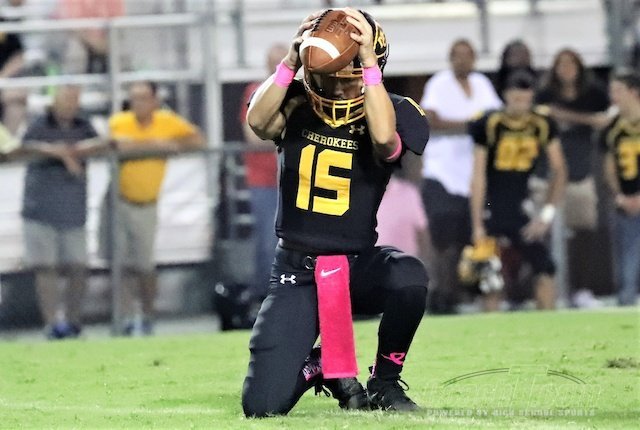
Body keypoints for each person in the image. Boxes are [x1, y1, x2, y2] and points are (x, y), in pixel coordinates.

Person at [242, 8, 430, 417]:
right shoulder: (294, 101)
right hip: (296, 273)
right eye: (328, 78)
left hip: (354, 266)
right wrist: (290, 61)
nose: (338, 90)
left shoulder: (395, 110)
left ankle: (384, 382)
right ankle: (320, 365)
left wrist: (366, 66)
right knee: (262, 406)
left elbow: (385, 139)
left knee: (409, 276)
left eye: (347, 79)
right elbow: (257, 122)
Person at [102, 81, 204, 335]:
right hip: (118, 201)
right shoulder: (120, 121)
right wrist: (159, 146)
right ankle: (125, 317)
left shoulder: (166, 121)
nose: (138, 104)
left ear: (155, 101)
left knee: (145, 265)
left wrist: (171, 145)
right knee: (120, 263)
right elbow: (117, 145)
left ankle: (147, 315)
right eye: (134, 98)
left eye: (143, 98)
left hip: (147, 204)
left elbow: (198, 140)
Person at [469, 70, 567, 311]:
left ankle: (549, 324)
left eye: (525, 99)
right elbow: (478, 176)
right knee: (490, 275)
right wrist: (477, 224)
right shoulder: (490, 123)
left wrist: (546, 216)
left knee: (545, 267)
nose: (521, 105)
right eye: (516, 99)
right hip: (492, 205)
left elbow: (559, 169)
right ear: (505, 96)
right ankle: (490, 327)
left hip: (522, 206)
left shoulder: (541, 123)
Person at [419, 38, 502, 314]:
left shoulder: (482, 84)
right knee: (444, 239)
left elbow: (495, 119)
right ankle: (442, 296)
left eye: (468, 55)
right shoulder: (439, 83)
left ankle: (473, 296)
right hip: (442, 173)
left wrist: (474, 127)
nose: (463, 60)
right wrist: (472, 125)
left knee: (474, 240)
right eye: (457, 55)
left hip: (475, 176)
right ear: (451, 58)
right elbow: (430, 118)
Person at [19, 85, 103, 339]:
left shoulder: (84, 125)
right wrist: (57, 153)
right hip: (40, 210)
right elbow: (24, 147)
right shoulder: (39, 124)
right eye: (65, 99)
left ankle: (74, 322)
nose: (69, 105)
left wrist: (77, 151)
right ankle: (51, 324)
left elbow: (103, 145)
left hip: (73, 210)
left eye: (73, 100)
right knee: (46, 268)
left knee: (78, 266)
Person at [535, 48, 610, 307]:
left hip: (580, 172)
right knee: (542, 229)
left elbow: (608, 118)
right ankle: (546, 289)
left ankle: (581, 288)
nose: (566, 69)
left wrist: (566, 116)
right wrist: (587, 120)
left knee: (585, 228)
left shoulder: (593, 93)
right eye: (561, 64)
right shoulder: (545, 93)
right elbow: (543, 112)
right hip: (548, 175)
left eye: (571, 64)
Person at [240, 43, 289, 301]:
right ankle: (264, 295)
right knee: (268, 240)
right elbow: (253, 136)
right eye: (273, 62)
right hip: (264, 181)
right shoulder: (255, 92)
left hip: (295, 180)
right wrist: (286, 135)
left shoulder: (300, 92)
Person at [600, 72, 640, 306]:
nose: (613, 96)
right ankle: (626, 306)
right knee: (627, 263)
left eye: (618, 90)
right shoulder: (613, 127)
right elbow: (609, 168)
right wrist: (620, 196)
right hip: (627, 202)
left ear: (634, 92)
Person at [376, 155, 430, 263]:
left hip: (406, 267)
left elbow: (423, 235)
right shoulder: (361, 196)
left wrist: (426, 265)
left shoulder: (409, 193)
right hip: (373, 267)